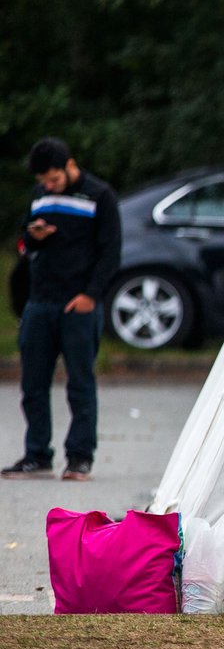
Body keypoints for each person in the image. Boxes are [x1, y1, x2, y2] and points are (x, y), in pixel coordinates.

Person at [7, 139, 120, 481]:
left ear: (70, 166)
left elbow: (111, 253)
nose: (49, 186)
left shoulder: (99, 196)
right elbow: (24, 244)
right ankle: (37, 454)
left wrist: (91, 295)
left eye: (54, 178)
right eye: (44, 181)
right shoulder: (40, 195)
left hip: (79, 303)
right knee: (33, 383)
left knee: (80, 383)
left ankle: (80, 456)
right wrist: (34, 235)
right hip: (40, 300)